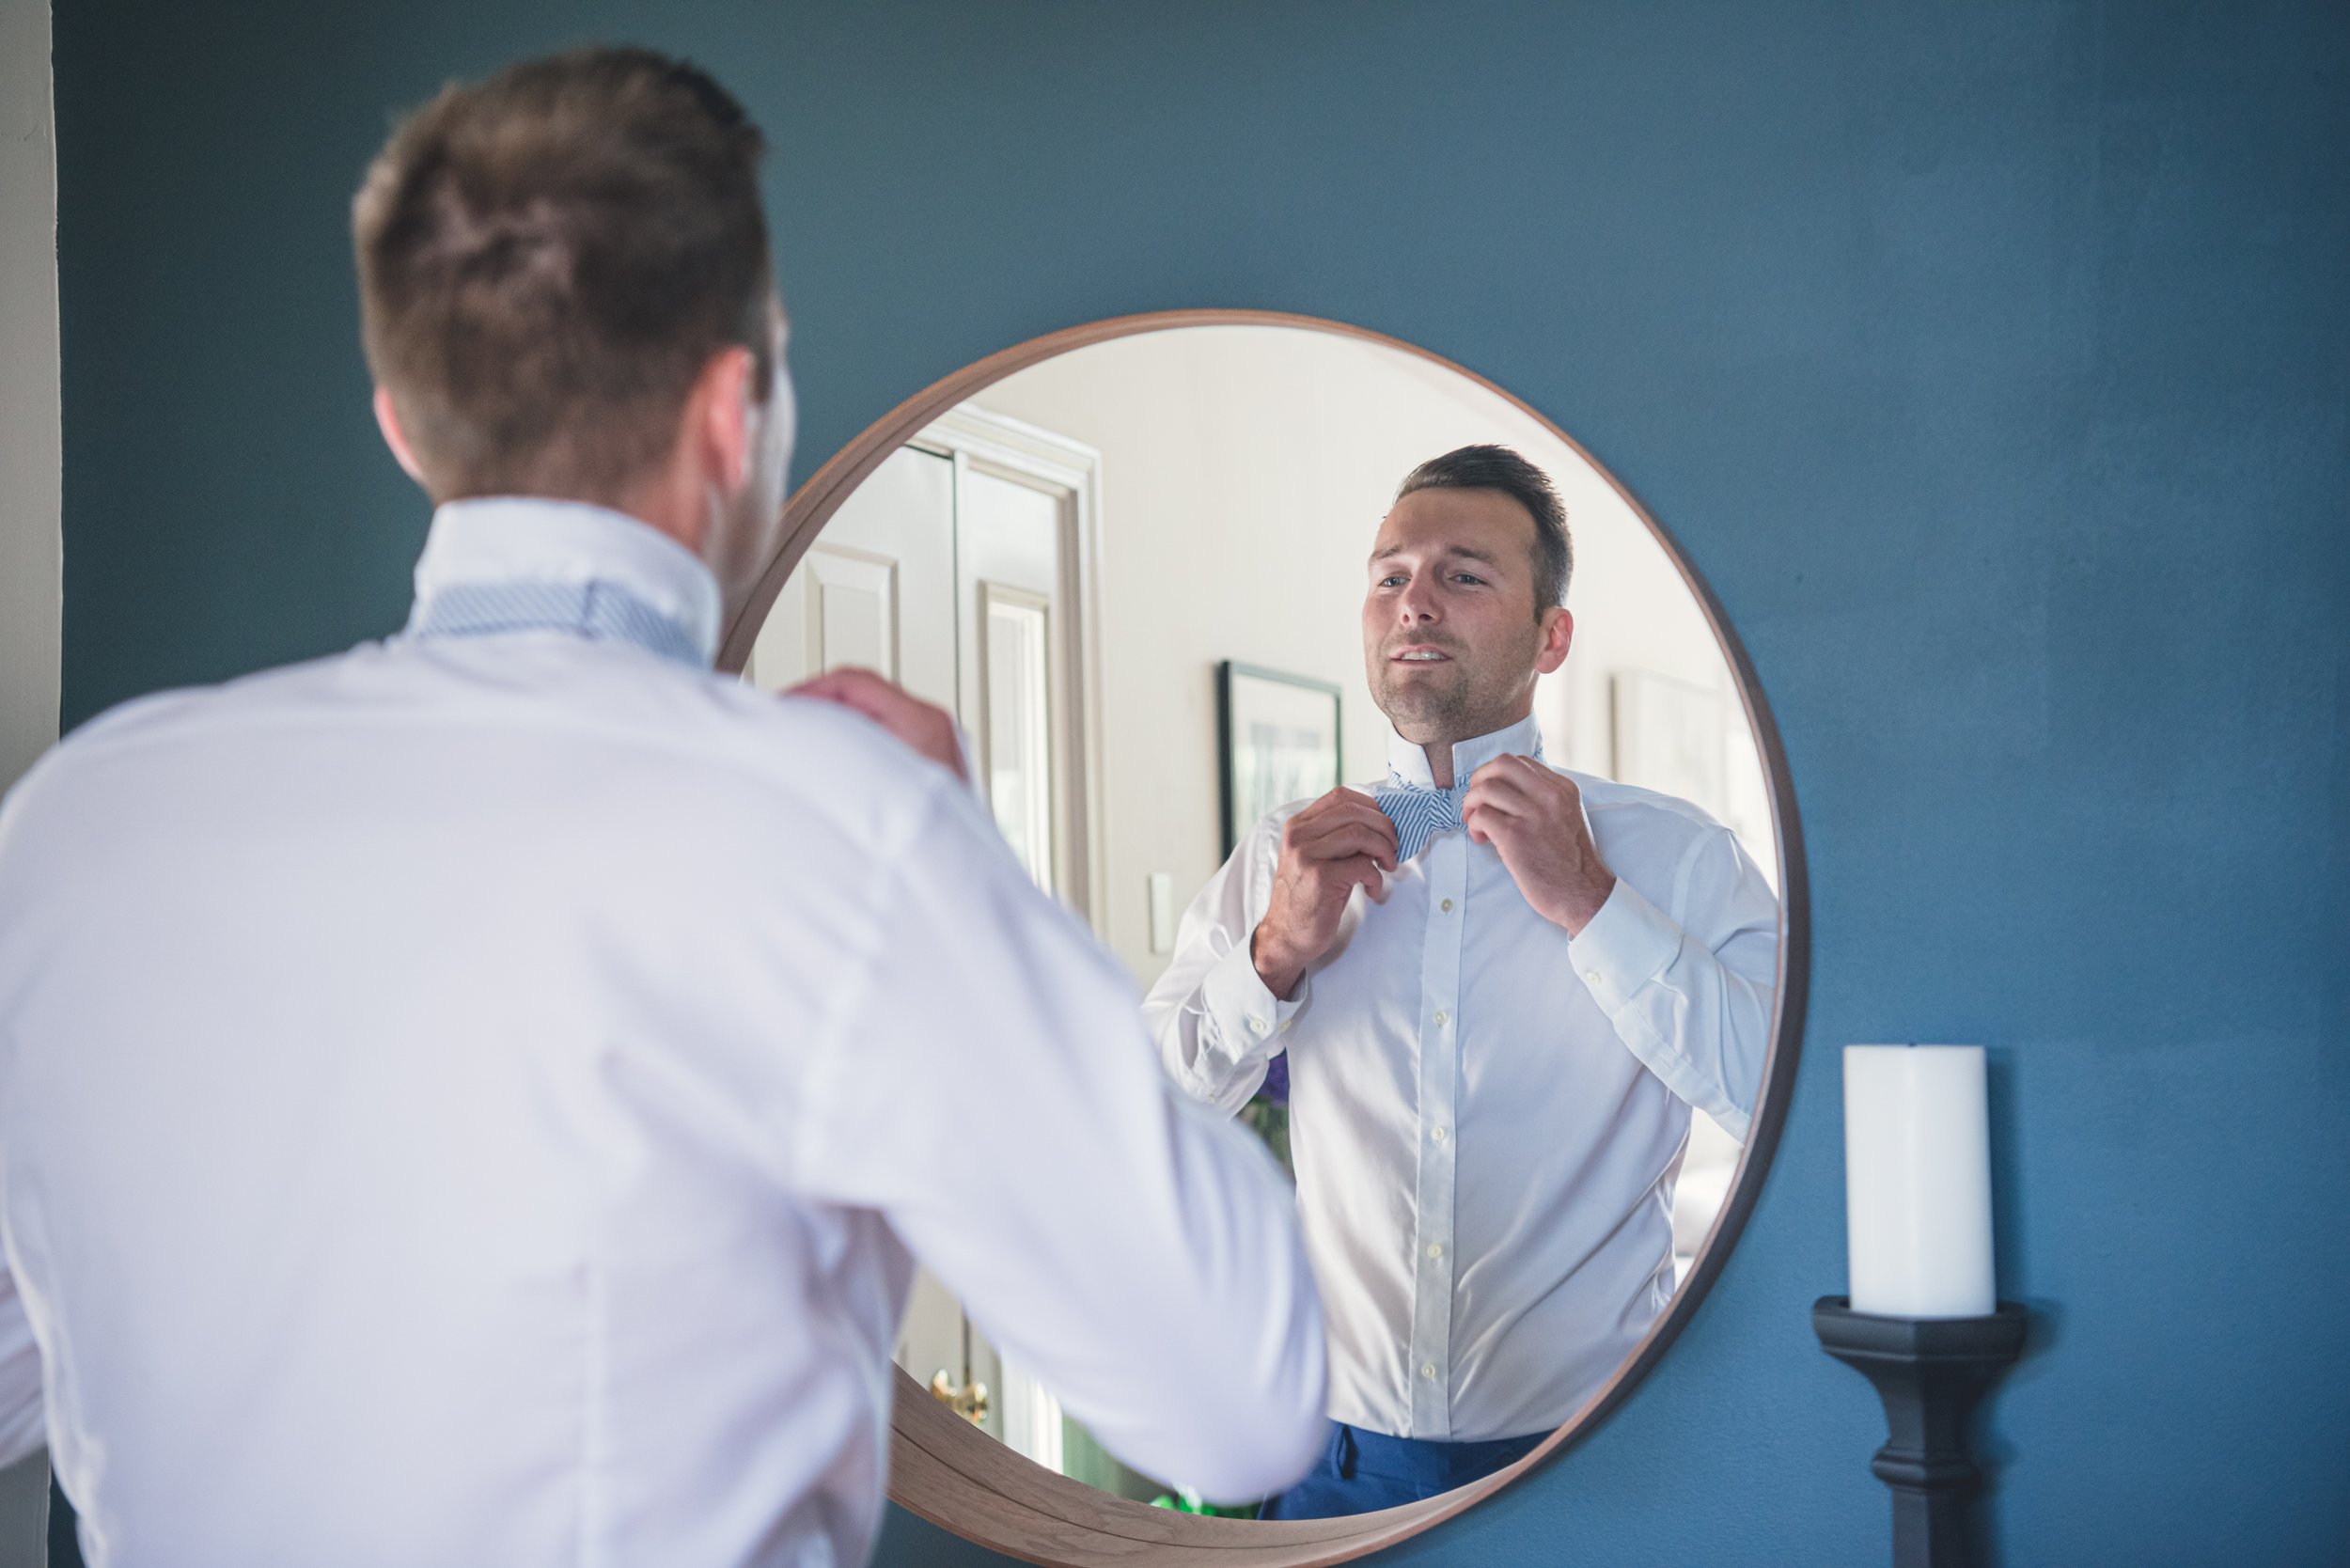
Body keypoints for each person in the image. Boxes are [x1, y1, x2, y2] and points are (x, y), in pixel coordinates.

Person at [0, 49, 1324, 1567]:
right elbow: (1242, 1396)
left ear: (406, 427)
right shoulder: (844, 833)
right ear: (729, 413)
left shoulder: (77, 827)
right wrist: (964, 859)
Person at [1145, 445, 1778, 1519]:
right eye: (1389, 574)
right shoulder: (1279, 859)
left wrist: (1593, 904)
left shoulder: (1678, 858)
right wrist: (1274, 955)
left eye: (1462, 574)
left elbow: (1775, 1097)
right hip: (1331, 1474)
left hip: (1602, 1462)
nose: (1414, 603)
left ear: (1552, 635)